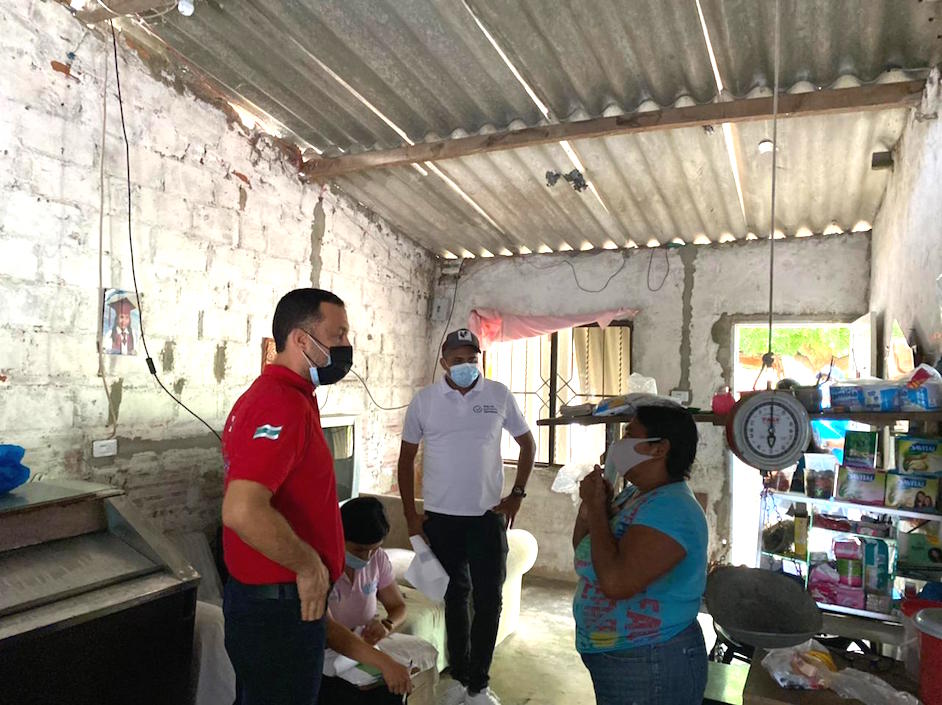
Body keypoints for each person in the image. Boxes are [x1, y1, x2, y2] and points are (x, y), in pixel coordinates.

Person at [221, 288, 354, 705]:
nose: (347, 348)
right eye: (338, 336)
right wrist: (310, 565)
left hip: (267, 604)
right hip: (279, 610)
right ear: (301, 340)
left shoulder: (281, 398)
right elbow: (241, 509)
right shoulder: (281, 405)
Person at [397, 328, 536, 705]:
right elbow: (407, 457)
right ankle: (458, 677)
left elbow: (527, 443)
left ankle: (479, 684)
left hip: (486, 518)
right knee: (455, 597)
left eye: (471, 360)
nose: (465, 366)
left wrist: (517, 494)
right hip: (441, 520)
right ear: (443, 362)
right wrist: (412, 516)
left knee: (489, 601)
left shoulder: (498, 395)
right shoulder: (425, 401)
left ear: (480, 361)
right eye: (457, 360)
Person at [573, 404, 708, 705]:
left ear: (659, 449)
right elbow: (584, 552)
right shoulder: (635, 495)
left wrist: (597, 510)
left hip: (651, 659)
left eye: (630, 434)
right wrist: (590, 510)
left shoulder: (672, 509)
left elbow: (616, 583)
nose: (619, 444)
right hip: (623, 656)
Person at [318, 497, 416, 704]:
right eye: (360, 550)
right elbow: (330, 632)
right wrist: (384, 663)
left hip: (362, 650)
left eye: (374, 549)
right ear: (339, 536)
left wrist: (387, 625)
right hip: (327, 655)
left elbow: (398, 607)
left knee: (393, 691)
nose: (367, 557)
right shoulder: (320, 565)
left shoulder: (377, 559)